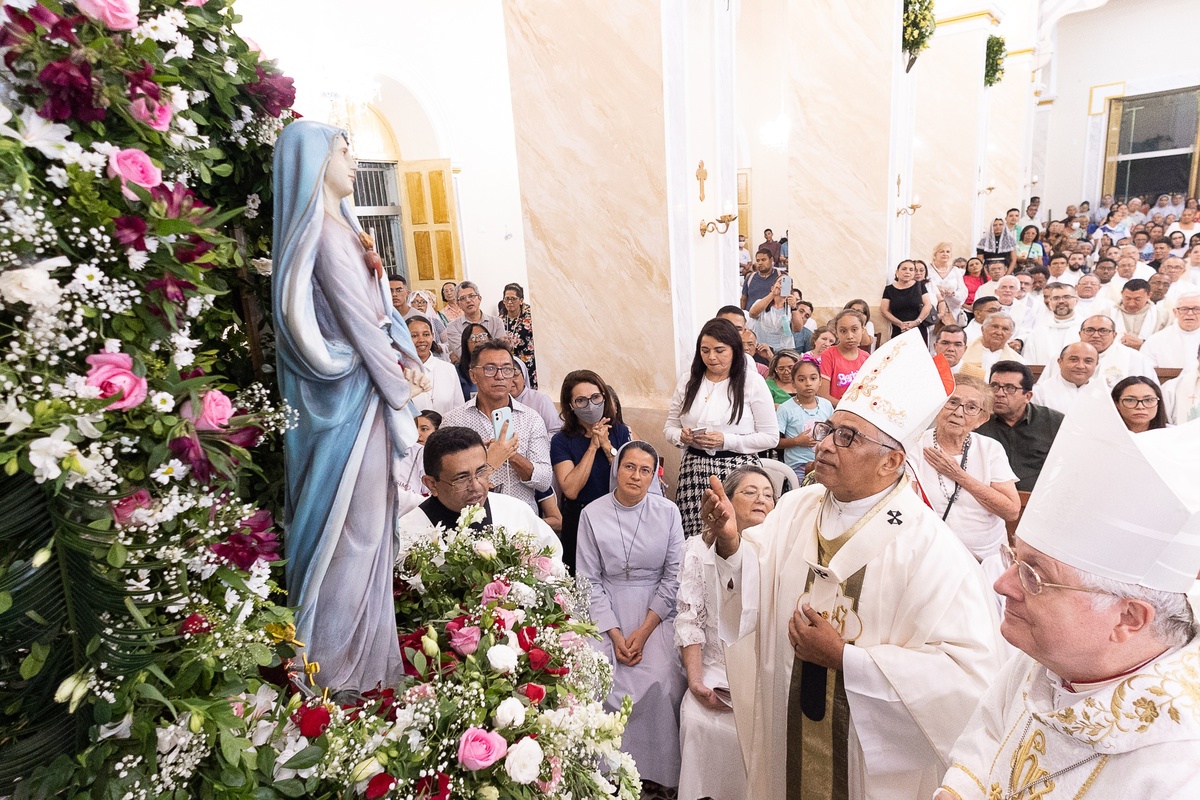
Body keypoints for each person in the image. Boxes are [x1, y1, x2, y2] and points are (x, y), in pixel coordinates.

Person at [701, 330, 1004, 800]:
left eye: (847, 437)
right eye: (828, 430)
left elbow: (968, 677)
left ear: (892, 462)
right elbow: (753, 582)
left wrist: (849, 661)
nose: (824, 445)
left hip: (867, 765)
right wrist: (729, 545)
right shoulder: (797, 507)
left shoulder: (931, 549)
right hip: (790, 725)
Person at [937, 395, 1200, 800]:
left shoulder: (1181, 764)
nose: (1003, 584)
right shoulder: (1042, 657)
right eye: (1015, 559)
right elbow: (986, 738)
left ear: (1128, 618)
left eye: (1034, 575)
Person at [272, 121, 432, 691]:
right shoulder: (327, 238)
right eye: (344, 152)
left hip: (364, 400)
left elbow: (380, 318)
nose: (354, 162)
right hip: (349, 405)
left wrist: (405, 359)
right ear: (316, 163)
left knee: (368, 534)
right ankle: (334, 675)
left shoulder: (345, 231)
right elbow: (361, 327)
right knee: (353, 536)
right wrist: (399, 383)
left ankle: (368, 666)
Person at [577, 441, 686, 793]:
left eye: (645, 470)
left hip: (655, 609)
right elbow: (588, 579)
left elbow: (673, 577)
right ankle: (601, 771)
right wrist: (614, 633)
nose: (636, 476)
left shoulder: (668, 512)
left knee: (663, 679)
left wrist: (643, 631)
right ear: (616, 469)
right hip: (606, 607)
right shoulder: (592, 513)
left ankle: (656, 772)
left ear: (654, 475)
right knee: (594, 674)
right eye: (629, 467)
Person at [675, 465, 773, 800]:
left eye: (769, 494)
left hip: (765, 677)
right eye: (750, 492)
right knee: (696, 718)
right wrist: (696, 681)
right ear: (725, 501)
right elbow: (690, 619)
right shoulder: (697, 550)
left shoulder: (778, 554)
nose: (761, 499)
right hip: (715, 670)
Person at [665, 318, 778, 538]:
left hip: (738, 470)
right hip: (694, 470)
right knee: (698, 537)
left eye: (719, 350)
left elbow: (771, 437)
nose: (711, 357)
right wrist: (682, 436)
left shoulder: (751, 382)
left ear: (735, 351)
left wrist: (727, 440)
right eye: (705, 351)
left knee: (737, 536)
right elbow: (669, 427)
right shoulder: (690, 381)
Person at [395, 426, 560, 557]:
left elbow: (552, 564)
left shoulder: (516, 512)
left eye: (481, 472)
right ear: (431, 484)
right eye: (461, 478)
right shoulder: (407, 536)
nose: (476, 486)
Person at [913, 374, 1020, 564]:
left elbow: (1011, 511)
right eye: (952, 402)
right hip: (931, 556)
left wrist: (959, 475)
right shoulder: (915, 445)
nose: (958, 412)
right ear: (939, 406)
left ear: (982, 418)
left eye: (971, 407)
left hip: (986, 560)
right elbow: (909, 508)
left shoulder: (990, 449)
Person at [442, 340, 553, 513]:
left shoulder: (531, 419)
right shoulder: (453, 421)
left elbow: (544, 480)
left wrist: (511, 455)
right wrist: (488, 460)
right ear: (473, 375)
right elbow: (447, 479)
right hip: (471, 518)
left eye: (507, 369)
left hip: (521, 519)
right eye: (490, 368)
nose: (500, 376)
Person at [551, 370, 632, 571]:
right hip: (580, 519)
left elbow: (628, 479)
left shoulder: (620, 431)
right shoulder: (561, 441)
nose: (590, 405)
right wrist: (593, 446)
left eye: (595, 397)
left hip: (616, 516)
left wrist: (606, 446)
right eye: (581, 400)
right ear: (571, 406)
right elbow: (570, 489)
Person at [976, 361, 1064, 491]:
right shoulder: (977, 420)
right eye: (994, 386)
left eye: (1010, 388)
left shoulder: (1054, 422)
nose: (999, 393)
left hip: (1037, 500)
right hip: (987, 499)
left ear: (1027, 396)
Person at [776, 355, 833, 481]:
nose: (808, 384)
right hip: (797, 466)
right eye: (801, 380)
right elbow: (775, 442)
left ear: (820, 381)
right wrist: (796, 441)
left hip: (824, 462)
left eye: (813, 378)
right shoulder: (785, 409)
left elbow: (832, 432)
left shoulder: (826, 405)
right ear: (793, 383)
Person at [1078, 313, 1157, 388]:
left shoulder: (1134, 358)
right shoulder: (1068, 355)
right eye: (1089, 330)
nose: (1095, 335)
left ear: (1114, 335)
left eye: (1103, 331)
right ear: (1080, 334)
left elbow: (1148, 390)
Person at [406, 316, 465, 416]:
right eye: (414, 336)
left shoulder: (448, 369)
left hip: (447, 430)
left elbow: (459, 409)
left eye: (426, 334)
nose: (421, 340)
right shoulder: (400, 371)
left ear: (432, 336)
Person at [1031, 341, 1103, 415]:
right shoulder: (1040, 392)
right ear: (1060, 362)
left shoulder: (1104, 392)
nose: (1080, 366)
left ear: (1096, 364)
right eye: (1074, 359)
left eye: (1088, 361)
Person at [443, 281, 504, 364]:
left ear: (479, 298)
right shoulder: (453, 327)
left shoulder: (496, 322)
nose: (468, 300)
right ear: (458, 304)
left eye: (471, 296)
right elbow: (463, 355)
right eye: (463, 298)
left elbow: (500, 351)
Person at [817, 309, 869, 404]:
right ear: (836, 333)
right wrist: (846, 409)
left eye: (854, 330)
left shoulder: (866, 357)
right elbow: (823, 395)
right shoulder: (829, 355)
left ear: (863, 330)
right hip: (837, 412)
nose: (849, 336)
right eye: (843, 331)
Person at [1020, 283, 1080, 364]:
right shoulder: (1037, 333)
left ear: (1076, 300)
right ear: (1050, 302)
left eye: (1067, 297)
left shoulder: (1086, 330)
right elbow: (1029, 363)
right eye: (1056, 298)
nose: (1061, 301)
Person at [1140, 291, 1200, 369]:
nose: (1190, 313)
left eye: (1196, 309)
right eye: (1184, 309)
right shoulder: (1155, 340)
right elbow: (1145, 370)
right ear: (1175, 312)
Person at [880, 259, 933, 341]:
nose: (907, 272)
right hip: (898, 329)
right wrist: (900, 324)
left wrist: (916, 322)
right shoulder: (889, 289)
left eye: (911, 269)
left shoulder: (920, 286)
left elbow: (928, 305)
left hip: (918, 328)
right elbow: (884, 310)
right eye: (904, 269)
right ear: (897, 272)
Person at [394, 410, 442, 497]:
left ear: (437, 432)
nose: (417, 434)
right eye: (413, 428)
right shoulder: (401, 452)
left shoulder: (442, 458)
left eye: (424, 429)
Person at [749, 275, 803, 351]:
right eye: (780, 282)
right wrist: (773, 293)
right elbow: (752, 314)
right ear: (772, 287)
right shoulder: (761, 302)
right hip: (762, 348)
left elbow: (798, 328)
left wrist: (794, 307)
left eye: (787, 284)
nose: (782, 286)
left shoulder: (791, 307)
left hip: (784, 349)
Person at [500, 282, 538, 389]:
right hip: (509, 364)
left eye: (513, 299)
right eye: (507, 299)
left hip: (528, 364)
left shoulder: (530, 318)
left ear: (521, 300)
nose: (510, 302)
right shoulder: (500, 319)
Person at [510, 357, 559, 437]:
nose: (510, 381)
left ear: (524, 377)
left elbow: (556, 431)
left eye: (514, 375)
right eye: (506, 376)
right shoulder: (493, 402)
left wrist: (535, 444)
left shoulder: (541, 400)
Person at [1112, 278, 1166, 349]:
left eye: (1137, 299)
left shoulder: (1163, 315)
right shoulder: (1107, 314)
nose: (1131, 304)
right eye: (1127, 298)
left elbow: (1168, 343)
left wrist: (1143, 344)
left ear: (1149, 295)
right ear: (1122, 294)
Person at [928, 242, 968, 325]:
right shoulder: (927, 269)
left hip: (953, 312)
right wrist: (935, 289)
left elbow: (963, 291)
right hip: (933, 311)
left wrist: (953, 293)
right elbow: (923, 287)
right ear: (935, 254)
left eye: (948, 252)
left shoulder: (956, 270)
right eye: (941, 251)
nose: (945, 254)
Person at [454, 323, 489, 400]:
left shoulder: (500, 364)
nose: (477, 340)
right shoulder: (457, 371)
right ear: (465, 344)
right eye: (472, 338)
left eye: (481, 336)